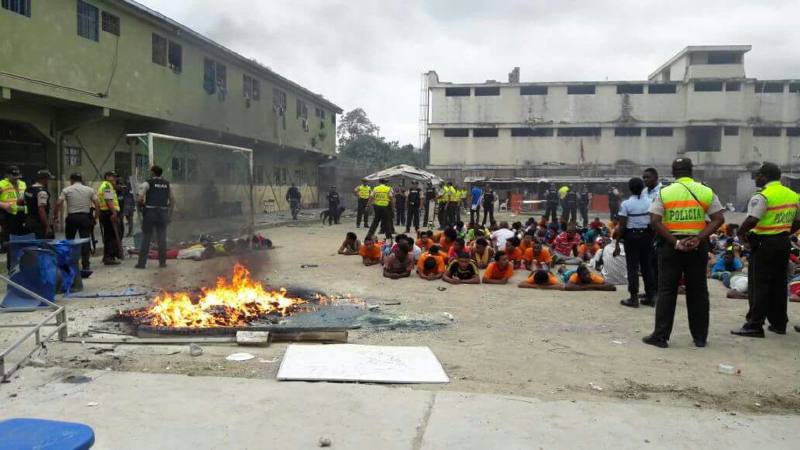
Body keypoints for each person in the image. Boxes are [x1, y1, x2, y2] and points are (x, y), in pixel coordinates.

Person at [643, 157, 724, 349]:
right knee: (698, 291)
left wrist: (676, 242)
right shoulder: (706, 191)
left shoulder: (665, 193)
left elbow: (655, 221)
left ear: (673, 171)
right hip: (697, 246)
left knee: (667, 291)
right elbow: (718, 219)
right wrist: (699, 238)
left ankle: (661, 336)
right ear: (691, 171)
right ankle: (700, 338)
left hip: (671, 246)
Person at [731, 162, 800, 337]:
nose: (757, 178)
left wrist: (740, 233)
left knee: (758, 284)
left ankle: (755, 325)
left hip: (763, 244)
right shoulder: (793, 195)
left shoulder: (763, 196)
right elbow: (798, 221)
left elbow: (753, 219)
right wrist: (784, 232)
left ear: (765, 175)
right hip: (783, 243)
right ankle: (779, 323)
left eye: (758, 175)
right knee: (778, 284)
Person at [617, 177, 657, 308]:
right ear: (642, 187)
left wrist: (617, 242)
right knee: (647, 266)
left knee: (632, 267)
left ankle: (633, 298)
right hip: (647, 236)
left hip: (631, 237)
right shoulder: (651, 201)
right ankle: (651, 296)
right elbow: (654, 220)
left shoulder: (626, 204)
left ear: (630, 189)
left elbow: (622, 225)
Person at [52, 173, 100, 271]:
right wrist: (95, 218)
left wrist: (56, 216)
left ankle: (70, 264)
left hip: (72, 218)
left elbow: (58, 203)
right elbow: (97, 204)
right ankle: (86, 265)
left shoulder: (67, 190)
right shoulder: (89, 190)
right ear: (81, 179)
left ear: (71, 180)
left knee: (70, 241)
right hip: (85, 218)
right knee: (85, 241)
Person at [135, 165, 174, 269]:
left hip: (150, 213)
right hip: (163, 213)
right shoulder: (167, 184)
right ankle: (162, 263)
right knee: (162, 239)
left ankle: (141, 264)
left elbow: (140, 198)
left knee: (146, 238)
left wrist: (141, 207)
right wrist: (169, 215)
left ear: (152, 172)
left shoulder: (147, 183)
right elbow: (172, 200)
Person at [0, 165, 26, 263]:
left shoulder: (23, 184)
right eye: (13, 175)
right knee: (10, 241)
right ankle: (11, 264)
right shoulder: (1, 184)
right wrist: (3, 205)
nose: (16, 177)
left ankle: (21, 262)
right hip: (7, 215)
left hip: (21, 214)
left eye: (17, 175)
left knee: (21, 240)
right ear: (7, 175)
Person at [98, 170, 122, 265]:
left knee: (108, 236)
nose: (115, 178)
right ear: (107, 177)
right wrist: (114, 213)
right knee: (111, 236)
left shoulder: (105, 185)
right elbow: (109, 200)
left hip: (106, 212)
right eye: (113, 176)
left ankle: (107, 257)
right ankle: (109, 257)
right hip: (109, 213)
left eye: (115, 177)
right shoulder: (107, 185)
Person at [23, 170, 54, 239]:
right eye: (48, 179)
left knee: (31, 244)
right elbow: (41, 210)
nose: (48, 181)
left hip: (29, 221)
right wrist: (47, 226)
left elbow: (20, 202)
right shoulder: (42, 192)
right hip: (38, 223)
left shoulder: (28, 189)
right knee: (41, 245)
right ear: (44, 179)